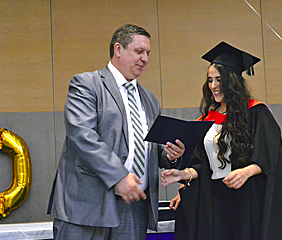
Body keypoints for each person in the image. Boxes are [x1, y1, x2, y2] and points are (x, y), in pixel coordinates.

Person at [47, 24, 185, 240]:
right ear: (118, 49)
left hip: (132, 209)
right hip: (86, 207)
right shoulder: (86, 84)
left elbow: (151, 148)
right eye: (139, 52)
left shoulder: (150, 99)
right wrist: (119, 177)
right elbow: (82, 135)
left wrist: (170, 156)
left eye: (148, 53)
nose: (145, 59)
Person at [161, 42, 282, 240]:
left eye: (219, 80)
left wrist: (246, 171)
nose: (214, 86)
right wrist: (180, 175)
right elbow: (201, 165)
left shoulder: (256, 113)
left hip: (245, 198)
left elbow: (270, 155)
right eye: (210, 80)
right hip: (213, 199)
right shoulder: (206, 120)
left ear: (232, 81)